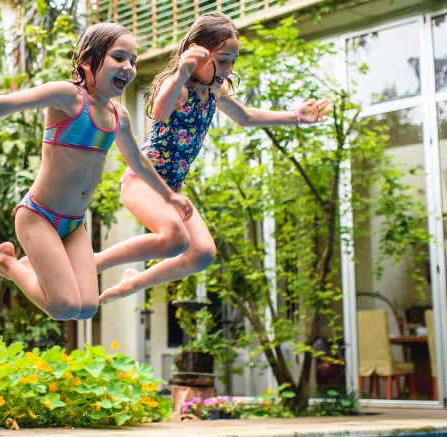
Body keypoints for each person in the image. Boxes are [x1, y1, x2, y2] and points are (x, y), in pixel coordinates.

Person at [0, 23, 194, 321]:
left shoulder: (119, 116)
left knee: (87, 308)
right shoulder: (69, 97)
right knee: (63, 307)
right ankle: (8, 263)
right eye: (119, 57)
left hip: (74, 224)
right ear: (87, 61)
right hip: (38, 216)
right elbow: (3, 104)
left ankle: (16, 263)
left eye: (133, 61)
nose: (128, 67)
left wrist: (169, 197)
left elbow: (138, 163)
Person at [95, 12, 332, 304]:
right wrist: (182, 70)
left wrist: (296, 117)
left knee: (203, 254)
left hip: (173, 189)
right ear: (197, 52)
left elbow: (246, 117)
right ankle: (95, 263)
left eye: (233, 60)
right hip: (143, 180)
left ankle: (132, 282)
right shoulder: (179, 86)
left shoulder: (214, 91)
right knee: (173, 238)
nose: (229, 68)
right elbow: (160, 110)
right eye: (222, 60)